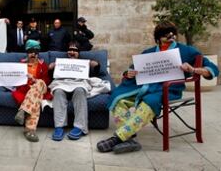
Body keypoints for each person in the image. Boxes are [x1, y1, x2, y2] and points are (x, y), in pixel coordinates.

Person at [97, 21, 219, 154]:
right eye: (167, 35)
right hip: (144, 87)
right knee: (117, 98)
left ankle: (119, 138)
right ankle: (129, 138)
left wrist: (193, 69)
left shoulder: (187, 50)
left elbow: (212, 69)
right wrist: (129, 73)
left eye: (173, 35)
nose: (171, 37)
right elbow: (131, 70)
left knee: (150, 100)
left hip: (168, 90)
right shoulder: (148, 52)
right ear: (158, 38)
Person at [49, 41, 111, 141]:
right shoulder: (61, 62)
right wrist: (52, 66)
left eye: (75, 50)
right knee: (58, 91)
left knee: (80, 90)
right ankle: (59, 127)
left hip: (79, 84)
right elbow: (50, 74)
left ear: (79, 53)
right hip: (62, 83)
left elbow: (98, 69)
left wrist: (93, 63)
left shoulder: (83, 62)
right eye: (70, 50)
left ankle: (79, 127)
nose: (72, 52)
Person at [13, 40, 52, 142]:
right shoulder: (21, 64)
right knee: (36, 100)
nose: (33, 54)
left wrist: (34, 80)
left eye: (35, 52)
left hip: (41, 87)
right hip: (27, 90)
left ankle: (23, 110)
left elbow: (46, 81)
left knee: (39, 84)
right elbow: (10, 76)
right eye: (31, 52)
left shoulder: (43, 64)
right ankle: (30, 130)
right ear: (27, 53)